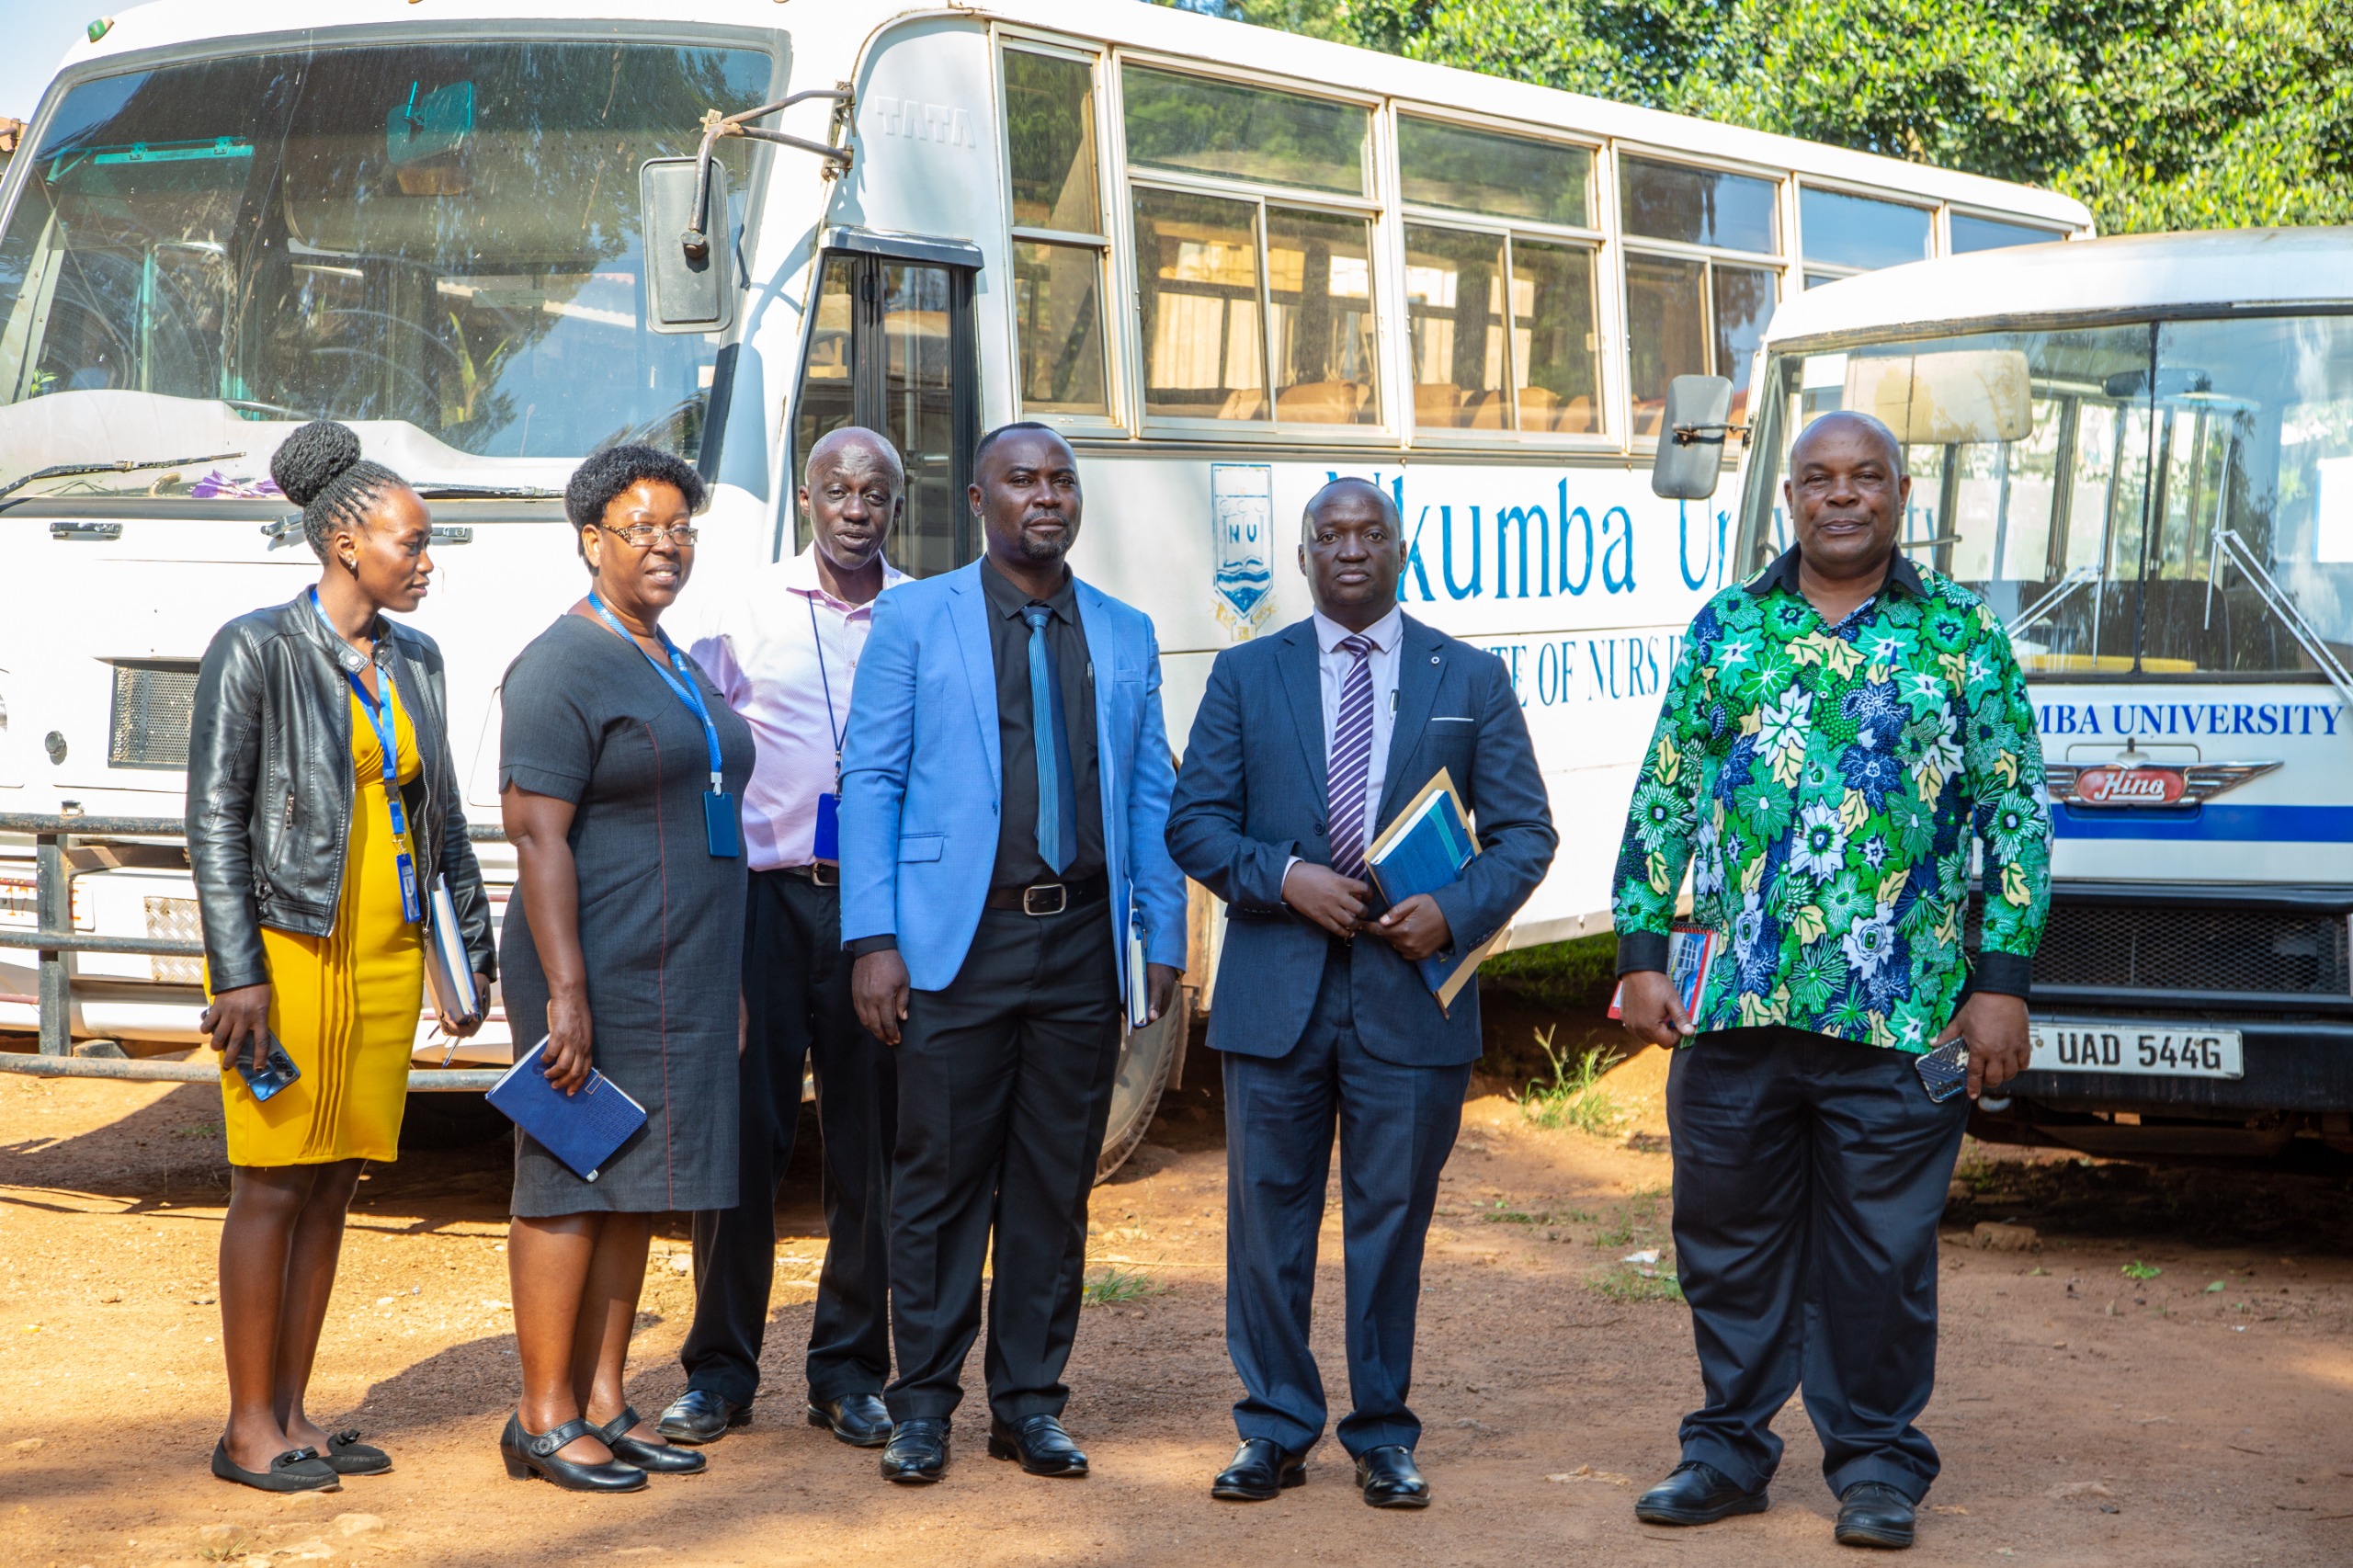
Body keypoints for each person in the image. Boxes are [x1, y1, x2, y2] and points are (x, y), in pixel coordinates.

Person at [1612, 410, 2051, 1551]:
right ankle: (1726, 1450)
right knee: (1726, 1235)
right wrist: (1639, 958)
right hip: (1734, 999)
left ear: (1901, 494)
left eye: (1864, 477)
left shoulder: (1961, 636)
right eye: (1819, 479)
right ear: (1790, 499)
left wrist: (1998, 980)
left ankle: (1874, 1461)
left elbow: (2013, 814)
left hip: (1903, 1011)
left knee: (1880, 1251)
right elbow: (1665, 795)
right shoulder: (1729, 629)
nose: (1841, 495)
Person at [1165, 477, 1555, 1511]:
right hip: (1273, 997)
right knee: (1266, 1220)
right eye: (1328, 535)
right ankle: (1274, 1426)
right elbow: (1193, 821)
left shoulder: (1467, 676)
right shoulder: (1246, 675)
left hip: (1409, 999)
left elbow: (1526, 834)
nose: (1348, 548)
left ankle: (1382, 1432)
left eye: (1368, 532)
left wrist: (1452, 909)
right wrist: (1282, 877)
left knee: (1390, 1223)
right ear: (1301, 556)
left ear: (1398, 548)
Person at [839, 422, 1188, 1485]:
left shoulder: (1124, 632)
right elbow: (872, 782)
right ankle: (925, 1405)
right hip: (957, 941)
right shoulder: (912, 616)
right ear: (980, 499)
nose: (1047, 496)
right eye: (1022, 480)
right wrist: (874, 936)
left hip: (1081, 940)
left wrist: (1160, 931)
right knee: (938, 1179)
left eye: (1062, 481)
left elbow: (1147, 791)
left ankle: (1029, 1402)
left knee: (1053, 1184)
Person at [187, 420, 494, 1494]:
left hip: (386, 956)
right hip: (287, 951)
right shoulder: (256, 646)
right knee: (269, 1182)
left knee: (333, 1185)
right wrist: (237, 971)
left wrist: (472, 952)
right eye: (410, 541)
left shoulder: (417, 658)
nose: (424, 560)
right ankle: (245, 1425)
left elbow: (442, 813)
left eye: (426, 542)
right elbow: (215, 818)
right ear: (345, 541)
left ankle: (299, 1410)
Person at [495, 445, 756, 1493]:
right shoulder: (562, 660)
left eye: (680, 525)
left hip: (679, 967)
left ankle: (603, 1398)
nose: (665, 543)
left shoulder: (666, 652)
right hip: (591, 965)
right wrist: (565, 992)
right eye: (640, 527)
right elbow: (535, 834)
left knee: (639, 1182)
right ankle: (542, 1413)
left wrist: (722, 975)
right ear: (590, 540)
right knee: (570, 1176)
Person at [657, 427, 910, 1449]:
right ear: (807, 499)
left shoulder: (926, 611)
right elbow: (692, 748)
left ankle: (850, 1371)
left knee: (871, 1148)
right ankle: (718, 1371)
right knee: (738, 1143)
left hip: (877, 913)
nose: (855, 507)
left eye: (875, 493)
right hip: (762, 902)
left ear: (895, 504)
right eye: (837, 489)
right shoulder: (743, 606)